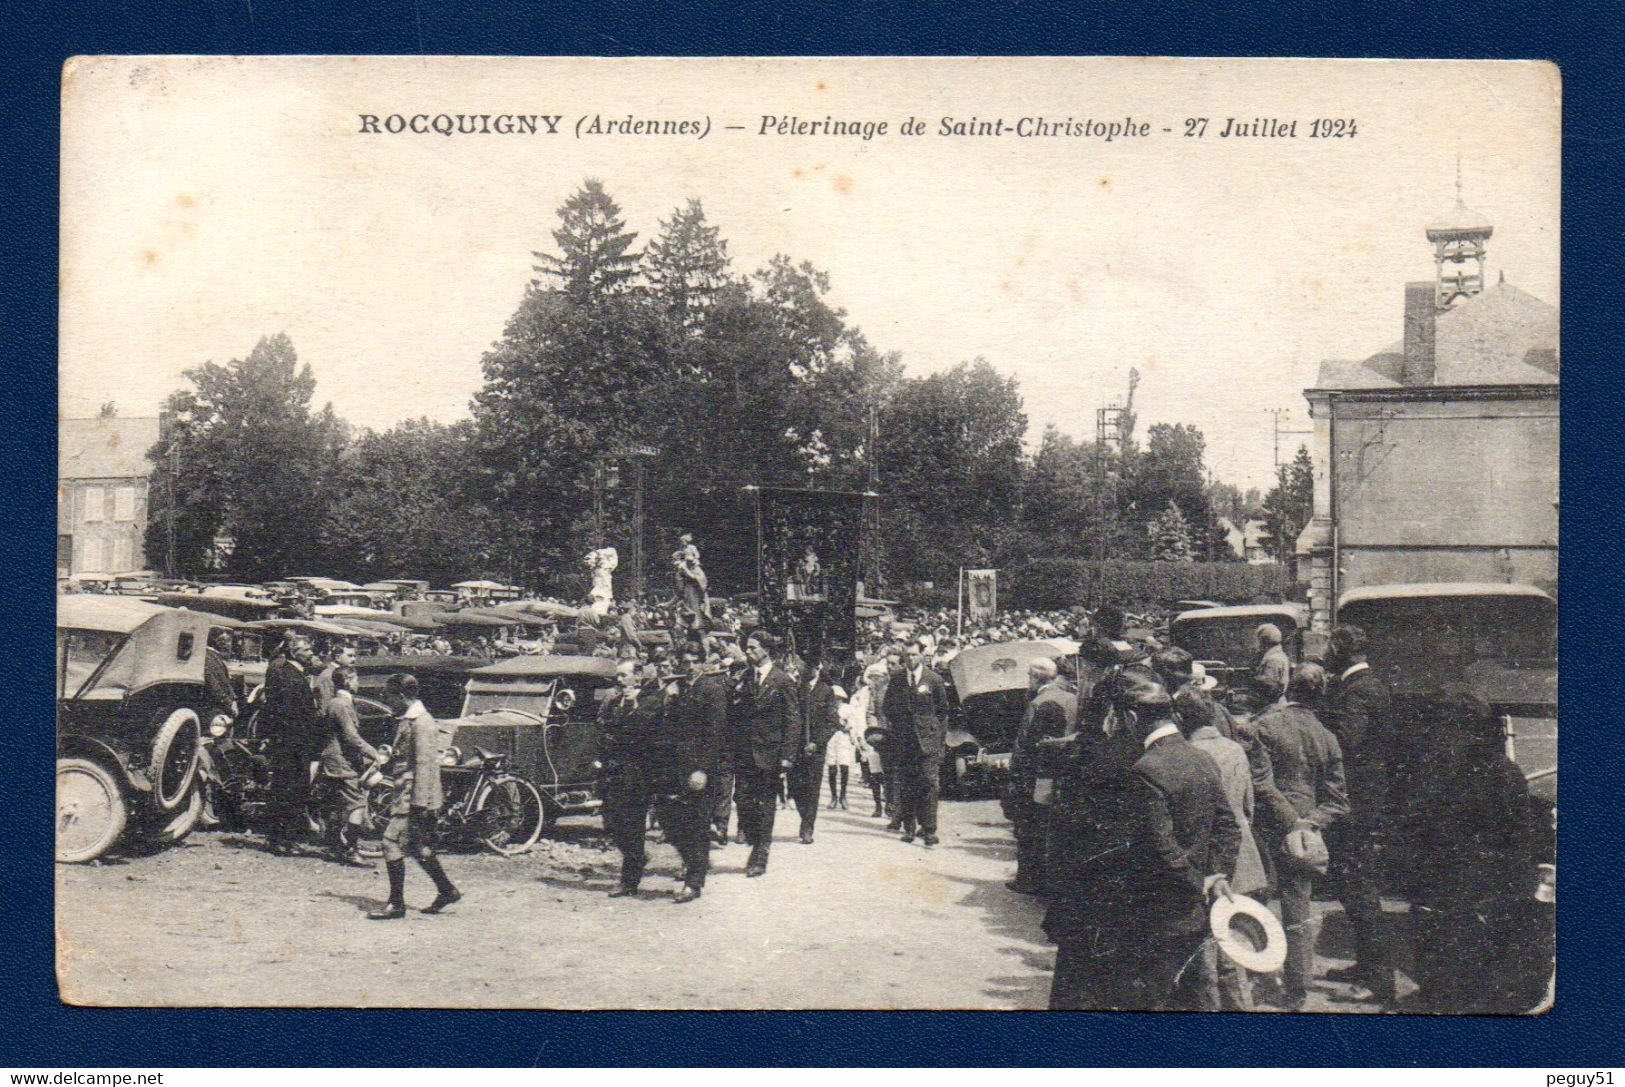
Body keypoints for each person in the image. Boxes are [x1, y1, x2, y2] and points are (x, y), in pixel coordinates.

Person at [1042, 671, 1239, 1010]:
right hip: (1190, 910)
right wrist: (1215, 876)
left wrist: (1197, 882)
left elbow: (1157, 845)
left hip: (1147, 912)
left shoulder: (1138, 767)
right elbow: (1228, 827)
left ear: (1126, 717)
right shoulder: (1201, 757)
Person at [1398, 689, 1542, 1012]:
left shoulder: (1499, 775)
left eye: (1442, 727)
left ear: (1466, 730)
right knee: (1437, 982)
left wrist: (1494, 900)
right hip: (1440, 896)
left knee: (1468, 986)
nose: (1434, 736)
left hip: (1477, 900)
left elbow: (1517, 845)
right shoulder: (1440, 770)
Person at [1251, 662, 1350, 1009]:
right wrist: (1309, 823)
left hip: (1268, 828)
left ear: (1289, 689)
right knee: (1298, 909)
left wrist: (1290, 820)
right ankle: (1297, 987)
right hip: (1306, 835)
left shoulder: (1265, 726)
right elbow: (1339, 801)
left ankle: (1255, 975)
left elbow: (1262, 783)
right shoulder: (1327, 736)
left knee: (1256, 902)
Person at [1318, 623, 1397, 1005]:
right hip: (1364, 803)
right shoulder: (1368, 685)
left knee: (1361, 891)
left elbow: (1345, 742)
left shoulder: (1357, 691)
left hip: (1355, 807)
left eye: (1328, 646)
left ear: (1339, 649)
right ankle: (1366, 966)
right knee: (1354, 889)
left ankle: (1379, 981)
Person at [1176, 684, 1268, 1010]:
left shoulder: (1185, 754)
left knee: (1205, 955)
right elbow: (1249, 806)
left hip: (1205, 862)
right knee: (1234, 945)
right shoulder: (1235, 749)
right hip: (1239, 856)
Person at [369, 673, 460, 919]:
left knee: (390, 842)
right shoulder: (411, 719)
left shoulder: (421, 723)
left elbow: (426, 766)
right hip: (407, 792)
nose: (387, 700)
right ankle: (447, 889)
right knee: (417, 847)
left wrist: (420, 804)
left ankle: (396, 903)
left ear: (400, 695)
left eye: (388, 696)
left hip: (412, 798)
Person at [730, 630, 802, 877]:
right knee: (742, 801)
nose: (748, 653)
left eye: (752, 648)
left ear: (766, 650)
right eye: (747, 649)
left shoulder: (782, 680)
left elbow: (793, 720)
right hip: (744, 752)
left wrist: (788, 756)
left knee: (765, 805)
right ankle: (755, 841)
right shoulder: (745, 677)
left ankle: (760, 853)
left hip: (770, 754)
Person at [1003, 657, 1077, 894]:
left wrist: (1014, 772)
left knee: (1029, 826)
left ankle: (1027, 879)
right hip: (1064, 771)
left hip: (1037, 773)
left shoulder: (1037, 703)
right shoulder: (1073, 699)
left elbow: (1023, 743)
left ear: (1034, 678)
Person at [663, 642, 728, 903]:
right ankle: (694, 865)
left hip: (701, 768)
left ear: (703, 663)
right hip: (677, 766)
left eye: (693, 661)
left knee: (698, 826)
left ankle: (694, 883)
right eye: (684, 662)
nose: (688, 667)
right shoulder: (679, 689)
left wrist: (702, 769)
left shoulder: (711, 690)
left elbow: (715, 733)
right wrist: (669, 700)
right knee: (675, 823)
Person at [600, 661, 666, 897]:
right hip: (616, 770)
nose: (619, 680)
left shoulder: (651, 699)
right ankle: (639, 857)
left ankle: (629, 882)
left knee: (633, 824)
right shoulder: (616, 700)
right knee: (613, 823)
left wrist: (633, 705)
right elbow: (606, 728)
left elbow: (645, 730)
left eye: (624, 675)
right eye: (618, 675)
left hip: (640, 773)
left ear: (638, 676)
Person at [882, 637, 951, 847]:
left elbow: (942, 711)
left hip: (927, 742)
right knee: (907, 785)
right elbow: (888, 707)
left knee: (929, 784)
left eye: (913, 654)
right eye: (907, 655)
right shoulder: (897, 679)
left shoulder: (933, 679)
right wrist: (900, 726)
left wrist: (937, 739)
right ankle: (909, 828)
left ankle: (929, 830)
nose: (910, 659)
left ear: (922, 655)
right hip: (905, 742)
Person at [260, 635, 322, 856]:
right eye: (306, 650)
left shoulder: (290, 674)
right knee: (290, 791)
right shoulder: (290, 677)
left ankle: (278, 838)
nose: (311, 654)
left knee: (284, 790)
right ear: (295, 652)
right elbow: (287, 713)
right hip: (293, 744)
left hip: (290, 743)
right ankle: (284, 839)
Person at [315, 667, 381, 866]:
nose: (358, 683)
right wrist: (372, 752)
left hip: (333, 761)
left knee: (337, 805)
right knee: (358, 804)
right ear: (348, 681)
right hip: (341, 763)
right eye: (356, 679)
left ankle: (335, 846)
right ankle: (350, 850)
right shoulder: (341, 705)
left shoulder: (335, 703)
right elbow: (350, 736)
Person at [789, 662, 841, 842]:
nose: (803, 670)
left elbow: (832, 722)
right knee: (794, 786)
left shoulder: (826, 691)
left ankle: (807, 826)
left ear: (816, 669)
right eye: (802, 667)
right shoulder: (796, 688)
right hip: (795, 747)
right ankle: (805, 817)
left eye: (807, 667)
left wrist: (817, 743)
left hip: (815, 750)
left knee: (811, 788)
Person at [826, 684, 859, 811]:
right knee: (832, 766)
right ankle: (833, 796)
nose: (835, 700)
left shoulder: (848, 709)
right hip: (831, 737)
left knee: (844, 766)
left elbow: (852, 723)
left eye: (836, 698)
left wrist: (847, 726)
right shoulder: (827, 709)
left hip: (843, 738)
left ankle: (843, 796)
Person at [1253, 624, 1292, 704]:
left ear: (1264, 640)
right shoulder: (1277, 655)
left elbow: (1269, 687)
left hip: (1273, 705)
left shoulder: (1273, 659)